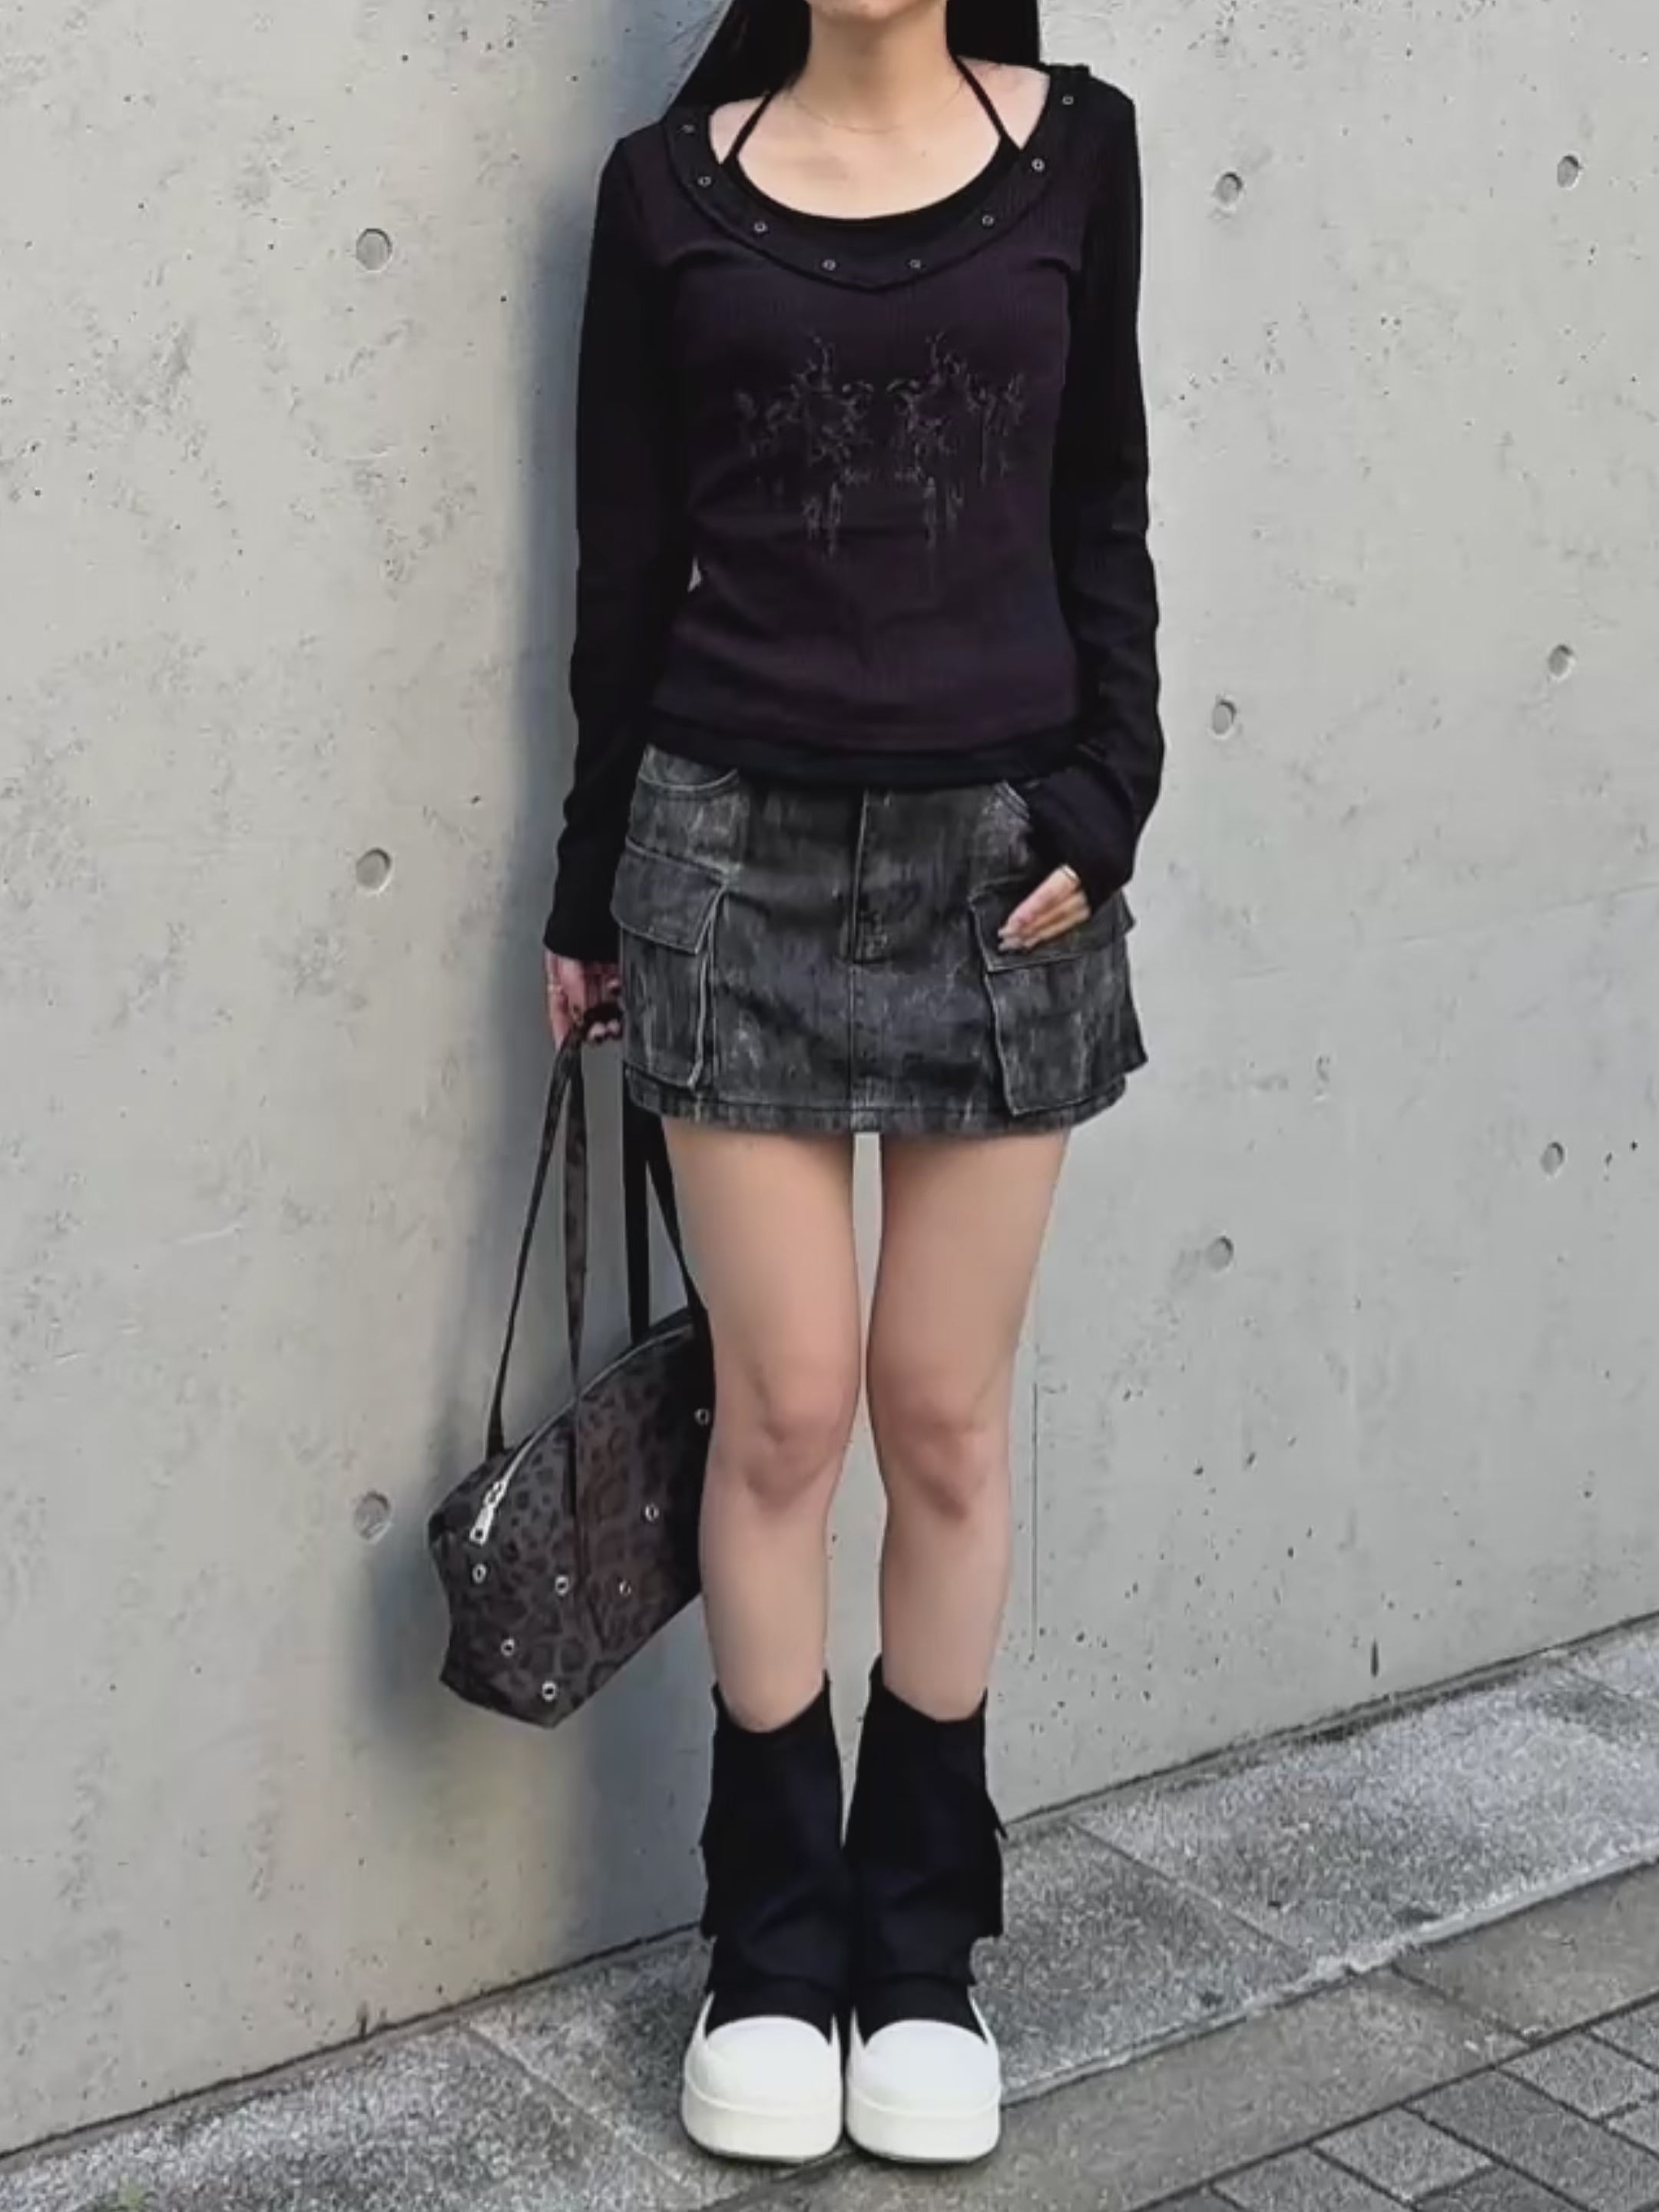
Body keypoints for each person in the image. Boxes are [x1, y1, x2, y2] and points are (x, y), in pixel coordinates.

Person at [542, 0, 1162, 2170]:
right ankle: (771, 1951)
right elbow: (625, 571)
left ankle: (919, 1953)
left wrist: (1112, 794)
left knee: (944, 1420)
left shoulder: (1081, 149)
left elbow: (1104, 505)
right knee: (787, 1413)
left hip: (1007, 875)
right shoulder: (666, 192)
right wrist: (588, 890)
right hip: (726, 858)